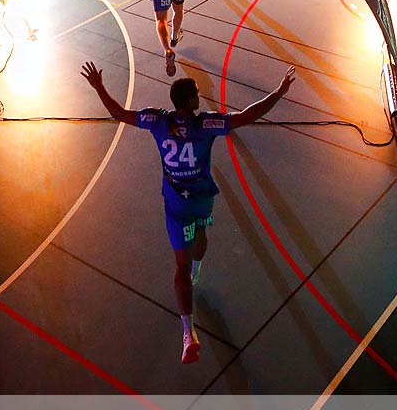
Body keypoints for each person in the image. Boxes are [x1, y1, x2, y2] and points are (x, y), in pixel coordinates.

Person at [79, 60, 297, 365]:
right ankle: (196, 278)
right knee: (202, 233)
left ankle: (188, 332)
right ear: (191, 101)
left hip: (176, 204)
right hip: (201, 199)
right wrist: (280, 91)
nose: (199, 95)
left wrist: (99, 86)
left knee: (179, 265)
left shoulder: (157, 121)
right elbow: (249, 115)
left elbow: (119, 113)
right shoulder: (205, 124)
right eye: (196, 92)